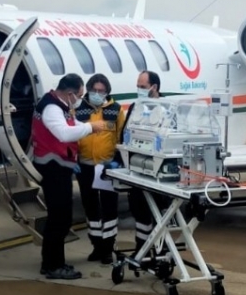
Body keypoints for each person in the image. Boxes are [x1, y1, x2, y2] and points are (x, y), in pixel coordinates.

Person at [30, 73, 109, 279]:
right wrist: (91, 127)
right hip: (53, 167)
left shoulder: (60, 105)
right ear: (70, 93)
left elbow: (71, 126)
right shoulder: (52, 108)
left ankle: (53, 262)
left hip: (60, 165)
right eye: (80, 95)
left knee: (60, 217)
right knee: (60, 218)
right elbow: (64, 133)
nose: (80, 99)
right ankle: (53, 265)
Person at [75, 73, 125, 265]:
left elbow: (122, 136)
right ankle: (96, 245)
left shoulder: (115, 109)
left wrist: (118, 161)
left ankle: (108, 247)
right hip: (85, 166)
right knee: (90, 206)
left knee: (109, 208)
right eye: (94, 90)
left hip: (106, 168)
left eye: (101, 91)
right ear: (88, 90)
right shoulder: (78, 109)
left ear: (107, 92)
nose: (97, 94)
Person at [125, 70, 161, 256]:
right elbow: (126, 134)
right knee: (139, 210)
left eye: (143, 87)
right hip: (138, 167)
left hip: (157, 169)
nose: (139, 90)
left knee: (159, 211)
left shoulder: (166, 109)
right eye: (138, 86)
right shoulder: (135, 107)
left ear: (154, 87)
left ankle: (159, 250)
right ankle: (142, 249)